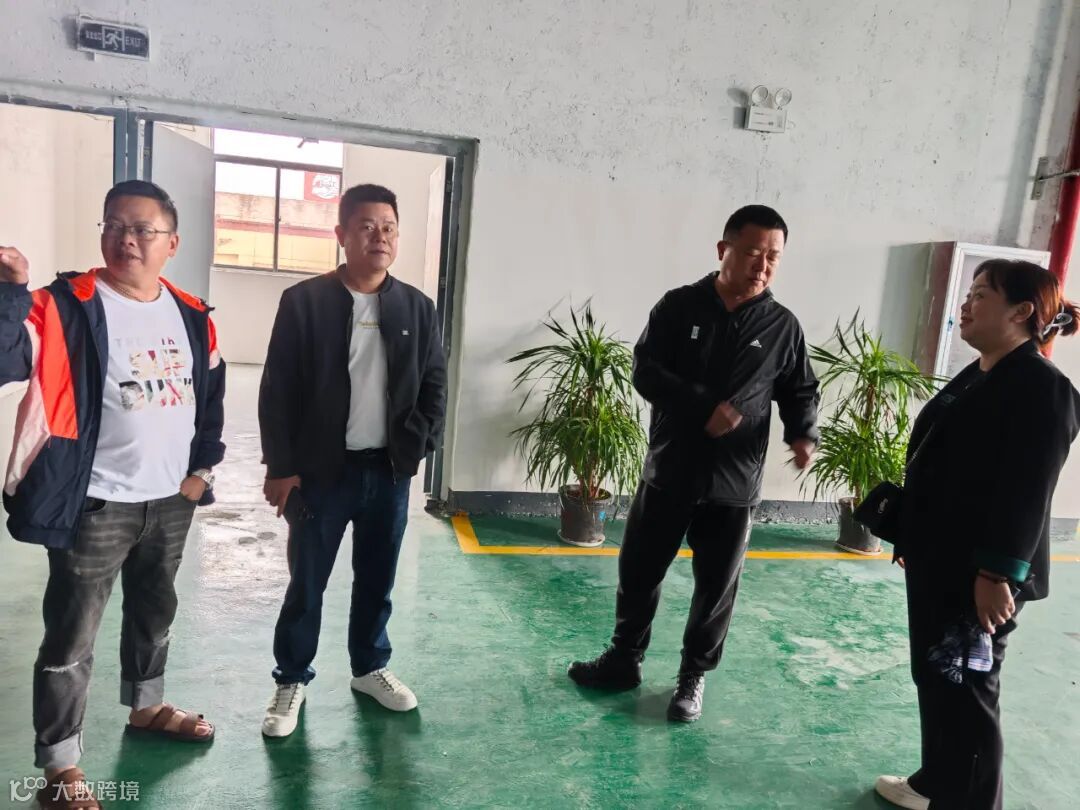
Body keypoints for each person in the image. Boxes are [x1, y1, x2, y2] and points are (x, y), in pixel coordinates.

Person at [0, 180, 224, 809]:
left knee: (155, 613)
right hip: (95, 502)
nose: (127, 239)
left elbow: (210, 397)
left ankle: (146, 708)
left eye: (143, 229)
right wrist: (9, 292)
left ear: (171, 243)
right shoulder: (62, 305)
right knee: (71, 637)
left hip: (171, 500)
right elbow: (4, 361)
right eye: (115, 225)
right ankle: (60, 768)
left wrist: (202, 472)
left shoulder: (192, 314)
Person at [568, 205, 820, 722]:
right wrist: (702, 406)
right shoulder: (679, 307)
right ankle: (623, 659)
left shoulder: (781, 326)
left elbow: (799, 389)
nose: (762, 266)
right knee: (639, 571)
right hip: (671, 470)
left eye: (773, 257)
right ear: (724, 249)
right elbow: (645, 371)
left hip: (734, 484)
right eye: (752, 253)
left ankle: (692, 677)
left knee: (716, 587)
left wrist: (802, 434)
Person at [874, 259, 1080, 810]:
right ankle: (935, 782)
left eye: (981, 295)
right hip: (942, 560)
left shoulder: (1042, 387)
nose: (966, 304)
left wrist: (996, 574)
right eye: (969, 293)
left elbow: (1027, 490)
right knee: (938, 679)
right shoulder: (983, 372)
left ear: (1021, 312)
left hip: (980, 576)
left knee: (966, 696)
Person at [259, 183, 447, 737]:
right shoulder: (304, 302)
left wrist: (415, 446)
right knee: (307, 582)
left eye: (388, 227)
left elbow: (434, 385)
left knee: (377, 578)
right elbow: (277, 389)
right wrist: (280, 468)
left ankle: (370, 667)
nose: (379, 237)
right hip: (321, 473)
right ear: (341, 234)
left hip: (387, 472)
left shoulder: (417, 307)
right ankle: (291, 677)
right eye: (366, 226)